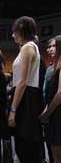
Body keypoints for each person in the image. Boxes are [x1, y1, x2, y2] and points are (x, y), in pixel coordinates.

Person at [8, 16, 44, 163]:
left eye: (14, 31)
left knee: (26, 146)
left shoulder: (28, 47)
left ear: (21, 30)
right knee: (24, 147)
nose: (12, 35)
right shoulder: (28, 47)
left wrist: (13, 110)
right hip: (27, 97)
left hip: (27, 99)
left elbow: (22, 82)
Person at [39, 35, 61, 163]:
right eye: (49, 46)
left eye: (54, 46)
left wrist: (47, 113)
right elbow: (50, 95)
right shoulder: (53, 69)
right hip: (54, 117)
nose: (50, 49)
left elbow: (59, 94)